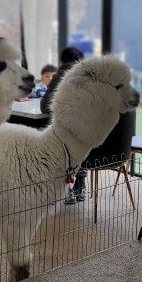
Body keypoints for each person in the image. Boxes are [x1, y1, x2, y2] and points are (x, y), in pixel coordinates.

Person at [39, 47, 88, 204]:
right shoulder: (89, 78)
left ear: (62, 62)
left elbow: (45, 106)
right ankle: (80, 187)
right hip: (88, 138)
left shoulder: (60, 76)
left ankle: (66, 190)